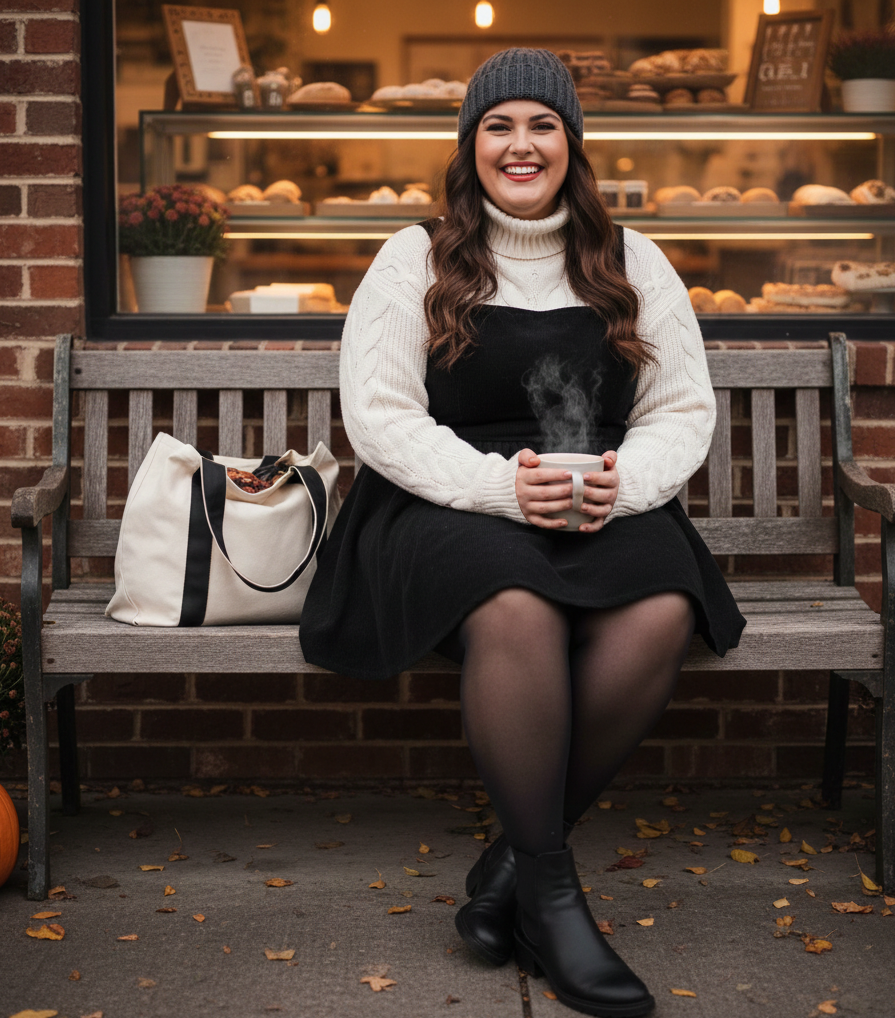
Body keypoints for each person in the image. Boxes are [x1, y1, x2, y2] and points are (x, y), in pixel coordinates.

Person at [300, 47, 746, 1018]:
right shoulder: (414, 256)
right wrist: (504, 488)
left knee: (663, 605)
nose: (520, 143)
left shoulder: (632, 259)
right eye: (498, 124)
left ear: (570, 145)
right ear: (470, 147)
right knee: (515, 602)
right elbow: (379, 418)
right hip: (441, 498)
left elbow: (682, 410)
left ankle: (512, 867)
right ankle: (552, 895)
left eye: (541, 124)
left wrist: (615, 483)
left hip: (598, 490)